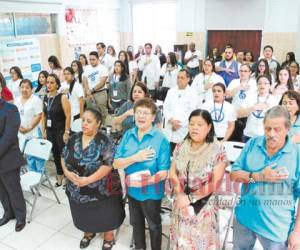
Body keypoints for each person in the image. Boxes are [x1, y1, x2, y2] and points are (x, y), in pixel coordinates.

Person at [231, 106, 300, 250]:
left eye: (277, 129)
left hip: (276, 228)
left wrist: (297, 232)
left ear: (288, 129)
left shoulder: (297, 154)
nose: (271, 134)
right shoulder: (253, 144)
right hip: (244, 219)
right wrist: (257, 176)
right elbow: (234, 175)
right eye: (267, 129)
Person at [62, 108, 125, 250]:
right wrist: (66, 172)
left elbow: (107, 166)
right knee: (84, 212)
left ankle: (108, 236)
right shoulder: (74, 138)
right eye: (83, 120)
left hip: (102, 187)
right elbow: (63, 156)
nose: (84, 123)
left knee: (106, 212)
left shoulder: (105, 141)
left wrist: (88, 180)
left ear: (98, 123)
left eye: (89, 121)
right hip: (77, 187)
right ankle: (89, 232)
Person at [113, 97, 171, 250]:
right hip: (132, 190)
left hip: (151, 192)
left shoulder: (161, 140)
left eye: (146, 113)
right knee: (136, 224)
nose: (141, 116)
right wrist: (135, 157)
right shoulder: (128, 135)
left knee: (153, 225)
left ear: (153, 117)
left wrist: (145, 182)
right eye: (138, 112)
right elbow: (116, 163)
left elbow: (164, 172)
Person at [169, 109, 227, 249]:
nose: (195, 127)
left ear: (209, 127)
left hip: (204, 203)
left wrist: (190, 199)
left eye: (200, 124)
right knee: (180, 240)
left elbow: (215, 182)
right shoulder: (181, 145)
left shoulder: (217, 149)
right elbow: (172, 173)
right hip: (181, 199)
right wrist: (181, 196)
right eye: (192, 123)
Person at [0, 93, 26, 232]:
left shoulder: (10, 109)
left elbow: (9, 137)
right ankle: (8, 213)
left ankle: (20, 216)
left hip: (8, 157)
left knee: (13, 189)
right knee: (2, 191)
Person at [41, 73, 71, 187]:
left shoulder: (62, 97)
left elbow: (68, 115)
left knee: (64, 154)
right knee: (55, 154)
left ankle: (68, 177)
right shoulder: (45, 97)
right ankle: (60, 175)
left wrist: (67, 132)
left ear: (57, 84)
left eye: (52, 82)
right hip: (50, 131)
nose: (49, 85)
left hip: (60, 130)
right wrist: (43, 131)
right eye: (47, 82)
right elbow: (43, 115)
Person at [164, 69, 200, 152]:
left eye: (182, 78)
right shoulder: (171, 91)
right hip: (170, 127)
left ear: (188, 79)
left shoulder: (193, 93)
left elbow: (192, 112)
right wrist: (172, 120)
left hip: (184, 129)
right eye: (178, 77)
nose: (179, 80)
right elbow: (166, 108)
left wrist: (178, 124)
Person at [237, 74, 278, 142]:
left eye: (265, 83)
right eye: (259, 83)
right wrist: (254, 108)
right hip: (248, 135)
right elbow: (238, 114)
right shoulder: (250, 97)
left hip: (265, 136)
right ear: (257, 85)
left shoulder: (274, 100)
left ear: (270, 85)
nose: (262, 85)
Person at [15, 79, 44, 172]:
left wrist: (29, 127)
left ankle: (39, 175)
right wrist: (19, 128)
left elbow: (39, 115)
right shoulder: (17, 100)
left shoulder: (35, 100)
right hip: (21, 133)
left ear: (32, 89)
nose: (24, 89)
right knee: (29, 157)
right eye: (22, 87)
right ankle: (32, 174)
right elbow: (15, 115)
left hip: (33, 132)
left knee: (37, 156)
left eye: (27, 87)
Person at [82, 51, 109, 125]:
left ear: (98, 59)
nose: (91, 61)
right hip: (89, 94)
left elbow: (102, 83)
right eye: (90, 59)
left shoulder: (103, 68)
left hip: (100, 93)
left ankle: (102, 129)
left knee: (102, 113)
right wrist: (87, 91)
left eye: (93, 59)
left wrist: (91, 90)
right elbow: (85, 80)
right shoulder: (87, 68)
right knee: (91, 113)